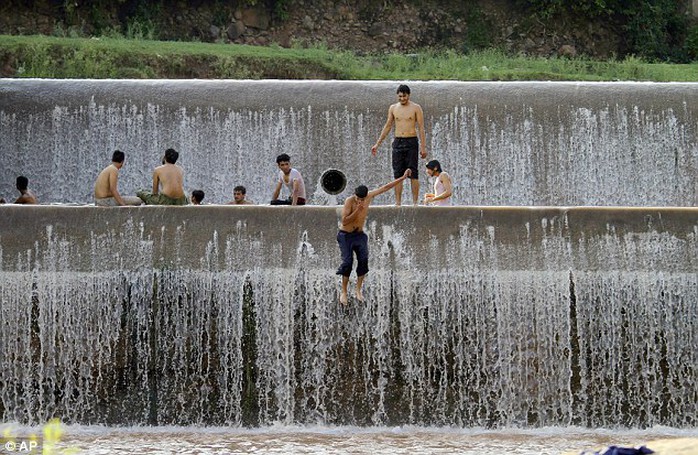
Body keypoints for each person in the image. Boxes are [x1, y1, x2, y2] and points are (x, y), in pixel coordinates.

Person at [337, 169, 411, 305]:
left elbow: (385, 187)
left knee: (363, 260)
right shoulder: (349, 201)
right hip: (345, 235)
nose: (360, 201)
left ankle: (358, 290)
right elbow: (344, 221)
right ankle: (344, 292)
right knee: (347, 262)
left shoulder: (369, 197)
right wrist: (357, 211)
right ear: (355, 196)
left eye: (362, 199)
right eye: (358, 199)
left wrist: (403, 177)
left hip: (359, 235)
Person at [371, 84, 427, 206]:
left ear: (409, 95)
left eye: (404, 96)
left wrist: (423, 147)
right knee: (398, 173)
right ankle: (398, 202)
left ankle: (415, 203)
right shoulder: (393, 108)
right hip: (398, 141)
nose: (402, 99)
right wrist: (377, 144)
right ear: (397, 95)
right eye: (400, 96)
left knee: (413, 173)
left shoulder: (416, 108)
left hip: (411, 141)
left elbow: (421, 128)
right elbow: (388, 126)